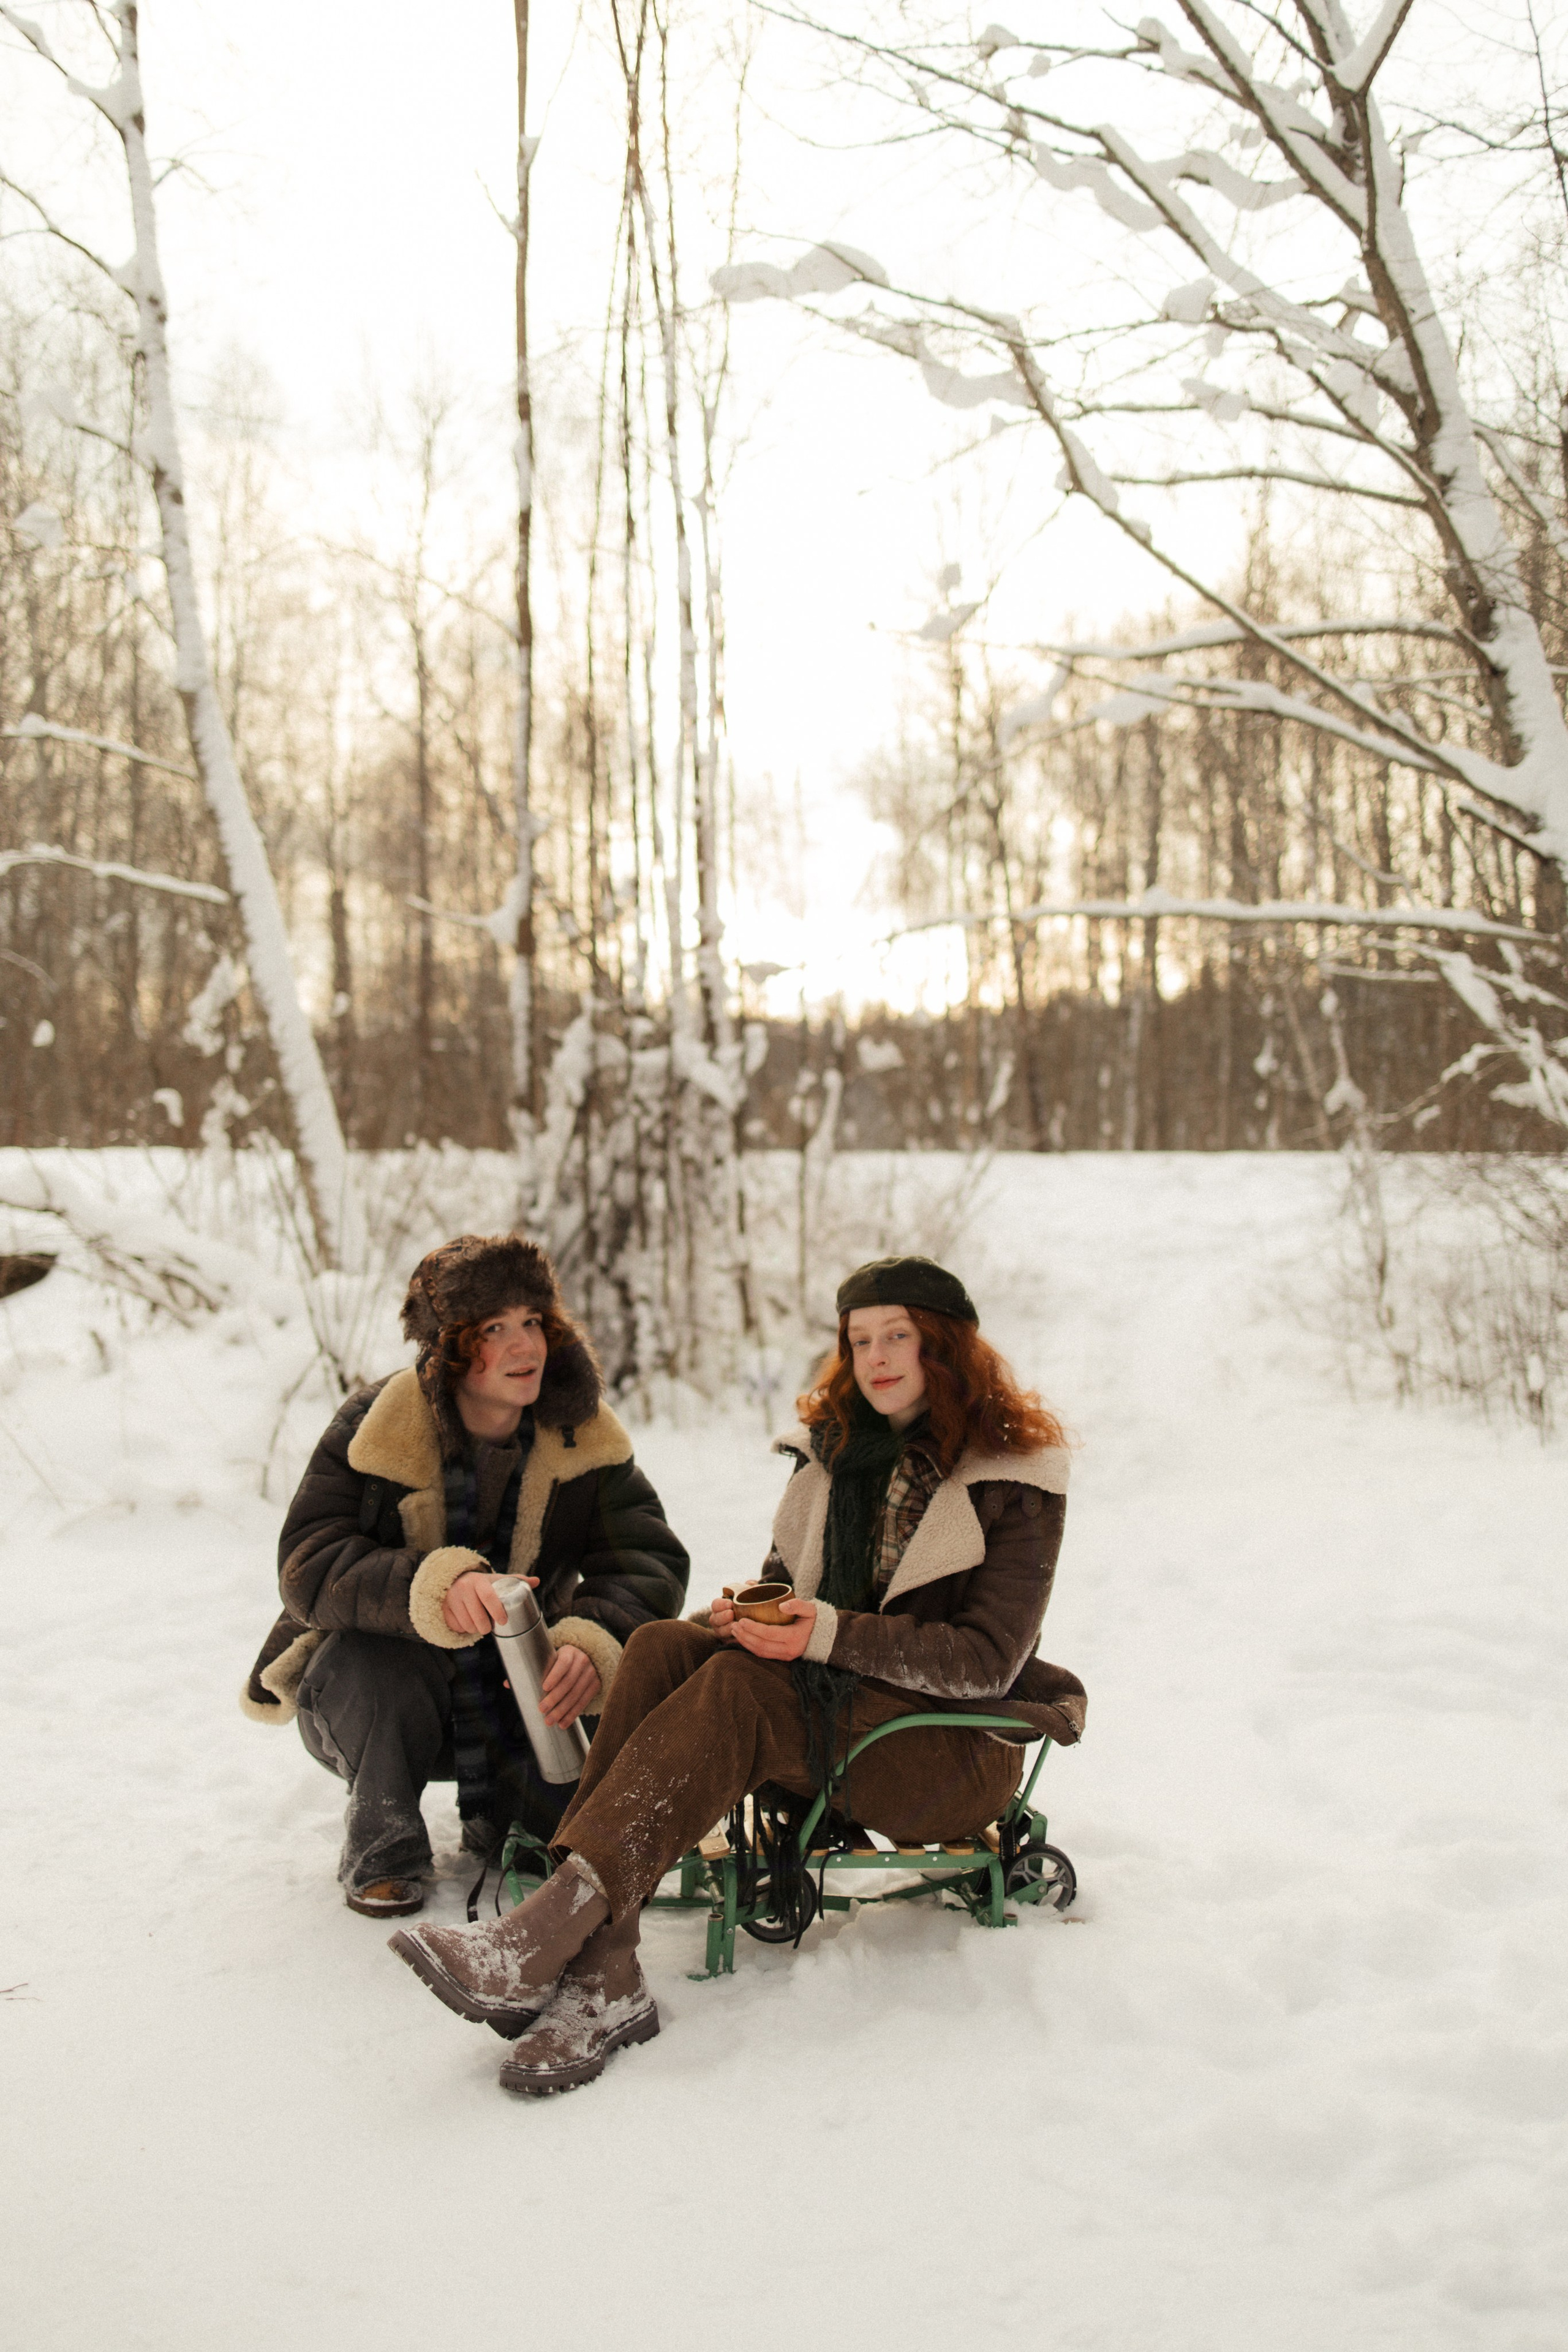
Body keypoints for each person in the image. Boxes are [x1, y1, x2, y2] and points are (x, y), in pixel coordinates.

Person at [390, 1253, 1086, 2095]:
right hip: (836, 1719)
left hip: (945, 1752)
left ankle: (542, 1936)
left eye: (899, 1336)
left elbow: (986, 1662)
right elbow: (787, 1599)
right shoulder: (831, 1460)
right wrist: (739, 1622)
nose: (876, 1358)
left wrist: (820, 1632)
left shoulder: (1014, 1480)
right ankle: (605, 1974)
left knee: (744, 1690)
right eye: (859, 1339)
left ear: (947, 1346)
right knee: (658, 1648)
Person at [241, 1234, 690, 1917]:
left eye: (533, 1323)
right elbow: (309, 1559)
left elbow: (647, 1559)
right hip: (375, 1699)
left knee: (561, 1838)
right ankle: (383, 1846)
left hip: (522, 1686)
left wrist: (591, 1642)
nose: (524, 1347)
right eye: (494, 1329)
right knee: (379, 1663)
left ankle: (511, 1817)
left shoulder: (580, 1434)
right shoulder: (375, 1425)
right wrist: (435, 1590)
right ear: (448, 1344)